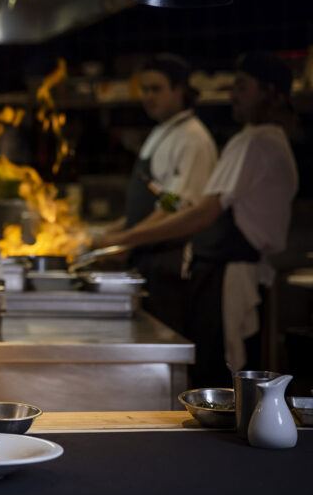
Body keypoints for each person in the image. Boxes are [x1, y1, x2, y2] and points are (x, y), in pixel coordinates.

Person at [105, 53, 298, 388]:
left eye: (242, 87)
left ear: (269, 92)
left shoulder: (252, 140)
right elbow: (177, 201)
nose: (232, 95)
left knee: (220, 373)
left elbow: (200, 212)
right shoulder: (268, 140)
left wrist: (126, 238)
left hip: (228, 275)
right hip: (224, 271)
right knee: (226, 371)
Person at [98, 54, 217, 334]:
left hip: (171, 264)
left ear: (179, 90)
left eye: (157, 89)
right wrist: (109, 233)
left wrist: (125, 239)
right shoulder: (163, 131)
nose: (149, 97)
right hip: (148, 258)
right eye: (145, 89)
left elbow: (176, 206)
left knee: (165, 343)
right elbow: (157, 202)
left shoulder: (192, 138)